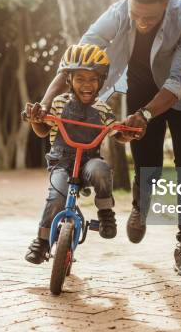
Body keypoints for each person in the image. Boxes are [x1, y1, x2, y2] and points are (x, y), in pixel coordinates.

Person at [31, 0, 181, 276]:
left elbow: (178, 80)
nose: (141, 22)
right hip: (141, 87)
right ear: (129, 2)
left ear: (165, 4)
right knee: (147, 162)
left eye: (150, 17)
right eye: (136, 14)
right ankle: (141, 206)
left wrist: (146, 115)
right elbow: (77, 59)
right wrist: (45, 103)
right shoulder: (118, 13)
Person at [24, 44, 133, 265]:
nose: (86, 84)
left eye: (93, 79)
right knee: (57, 196)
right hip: (61, 163)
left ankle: (105, 214)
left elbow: (116, 133)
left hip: (88, 162)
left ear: (101, 81)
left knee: (101, 170)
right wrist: (36, 120)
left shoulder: (103, 109)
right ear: (69, 80)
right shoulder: (58, 103)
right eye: (80, 78)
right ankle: (42, 241)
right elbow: (43, 130)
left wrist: (128, 133)